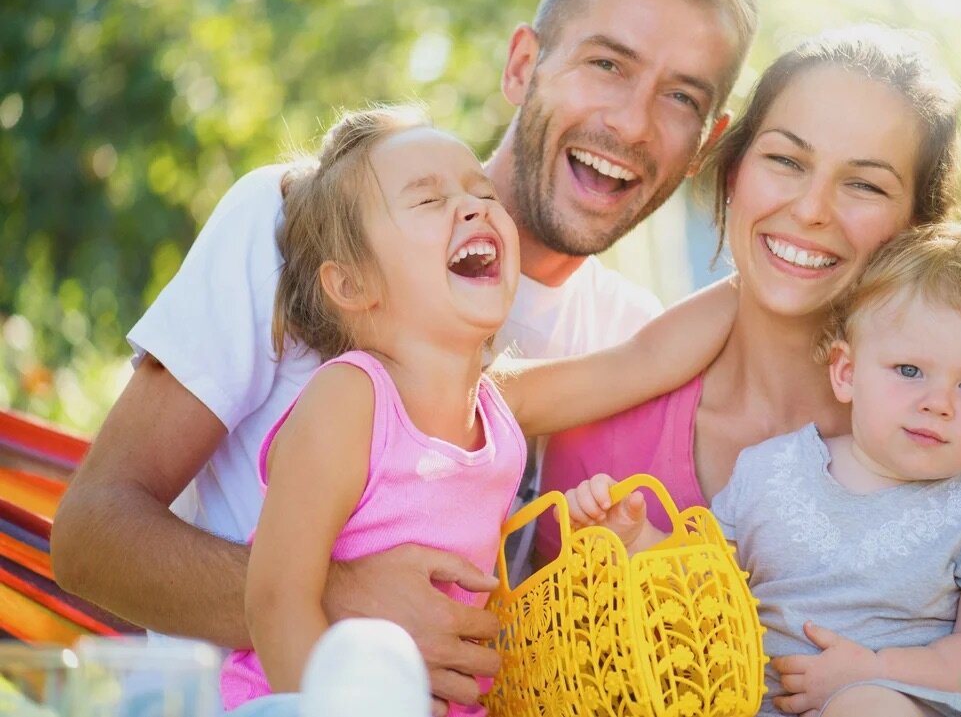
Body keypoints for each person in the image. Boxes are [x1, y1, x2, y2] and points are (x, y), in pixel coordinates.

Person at [49, 0, 757, 715]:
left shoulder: (629, 338)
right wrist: (347, 601)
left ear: (706, 145)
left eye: (682, 97)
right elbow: (90, 537)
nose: (631, 123)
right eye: (607, 64)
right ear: (524, 64)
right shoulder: (300, 222)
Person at [539, 26, 961, 717]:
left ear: (917, 227)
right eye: (785, 160)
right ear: (732, 173)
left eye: (865, 184)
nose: (812, 209)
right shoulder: (604, 449)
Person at [214, 107, 733, 714]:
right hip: (296, 700)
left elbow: (642, 362)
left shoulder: (496, 404)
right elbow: (275, 598)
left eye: (482, 192)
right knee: (365, 664)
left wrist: (771, 266)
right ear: (352, 285)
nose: (473, 206)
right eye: (429, 201)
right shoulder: (350, 399)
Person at [567, 221, 961, 716]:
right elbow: (702, 587)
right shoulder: (771, 471)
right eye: (909, 371)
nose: (938, 403)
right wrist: (635, 542)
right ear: (847, 372)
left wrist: (872, 670)